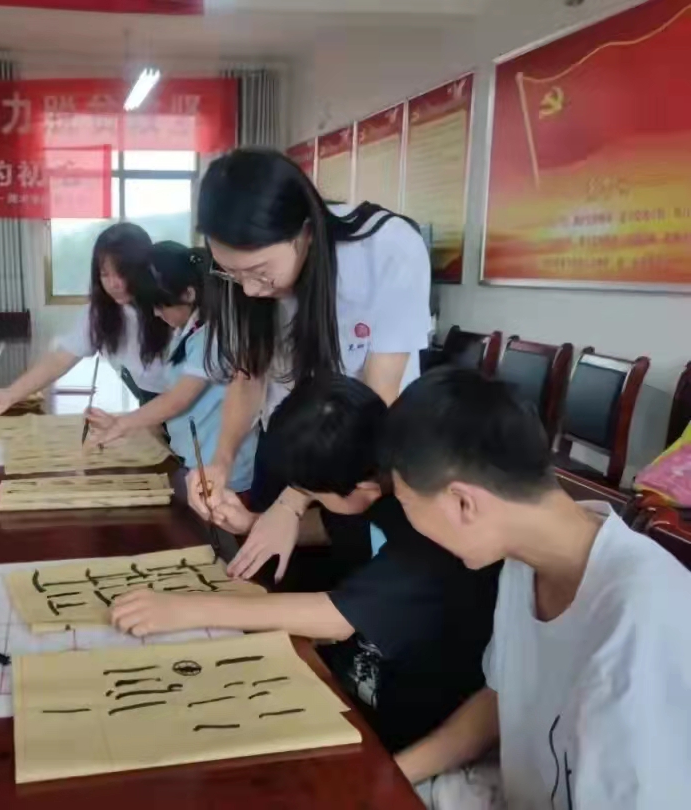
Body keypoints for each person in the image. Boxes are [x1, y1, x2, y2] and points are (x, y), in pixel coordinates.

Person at [110, 375, 498, 753]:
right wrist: (253, 523)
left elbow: (335, 618)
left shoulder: (432, 534)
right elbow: (341, 525)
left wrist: (185, 609)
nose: (306, 503)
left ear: (362, 489)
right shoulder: (381, 480)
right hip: (340, 683)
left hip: (398, 727)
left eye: (316, 495)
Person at [384, 368, 691, 809]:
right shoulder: (522, 558)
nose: (412, 524)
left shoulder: (644, 620)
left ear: (463, 502)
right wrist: (385, 775)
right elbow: (501, 697)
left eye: (407, 504)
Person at [185, 148, 432, 577]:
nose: (250, 290)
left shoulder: (386, 248)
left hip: (359, 457)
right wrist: (220, 460)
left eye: (259, 271)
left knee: (346, 575)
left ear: (304, 232)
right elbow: (248, 376)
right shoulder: (245, 282)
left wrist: (294, 501)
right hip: (287, 444)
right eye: (231, 273)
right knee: (270, 575)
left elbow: (377, 398)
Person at [86, 241, 257, 492]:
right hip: (194, 463)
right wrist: (122, 420)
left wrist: (124, 424)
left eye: (160, 306)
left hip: (223, 475)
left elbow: (178, 399)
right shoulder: (188, 330)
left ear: (188, 294)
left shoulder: (213, 336)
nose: (156, 314)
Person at [0, 222, 170, 416]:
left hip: (180, 400)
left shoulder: (169, 308)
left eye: (122, 273)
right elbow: (60, 359)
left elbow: (183, 389)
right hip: (150, 399)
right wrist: (10, 395)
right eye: (105, 275)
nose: (114, 284)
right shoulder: (100, 312)